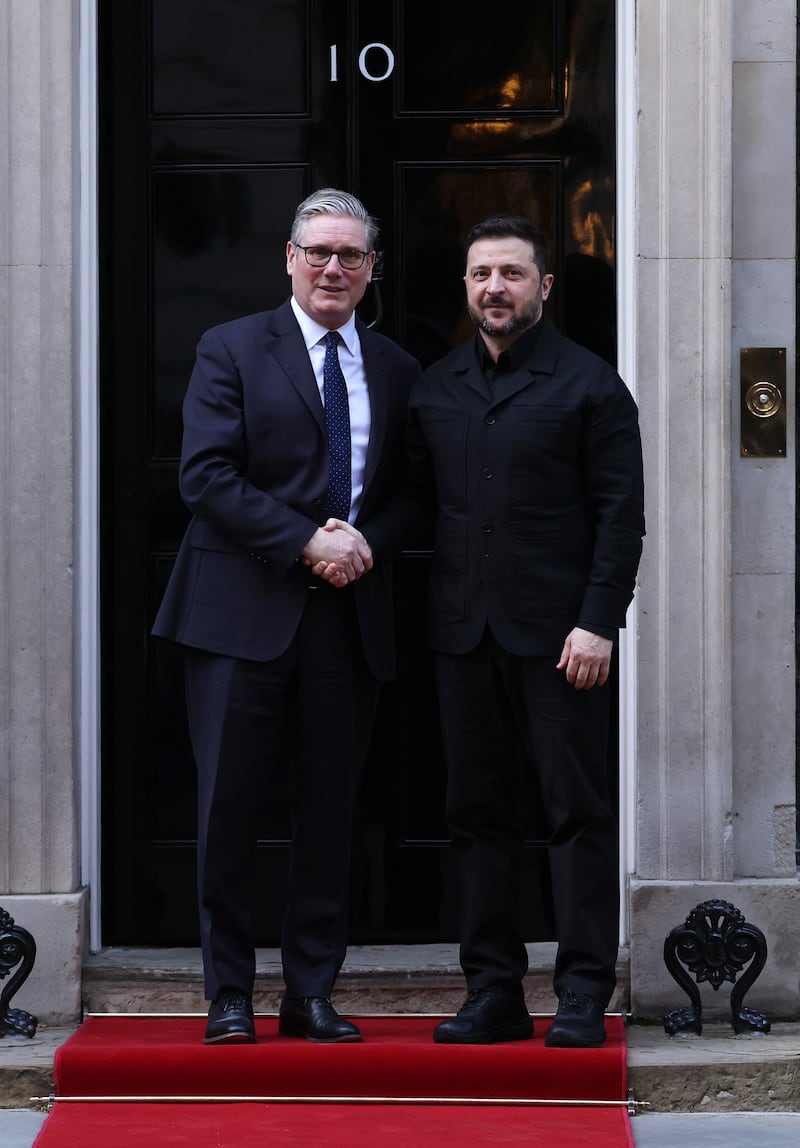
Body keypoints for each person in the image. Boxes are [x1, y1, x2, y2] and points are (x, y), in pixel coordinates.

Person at [360, 214, 644, 1048]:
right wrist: (355, 540)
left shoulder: (591, 386)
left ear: (543, 288)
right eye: (482, 273)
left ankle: (585, 990)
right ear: (467, 287)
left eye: (512, 274)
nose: (495, 288)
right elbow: (414, 500)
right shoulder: (437, 386)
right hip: (462, 636)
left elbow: (619, 518)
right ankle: (494, 992)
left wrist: (599, 622)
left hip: (564, 644)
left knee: (574, 814)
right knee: (476, 816)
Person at [152, 188, 419, 1045]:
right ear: (290, 259)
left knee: (329, 816)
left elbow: (414, 492)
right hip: (238, 618)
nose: (334, 268)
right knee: (228, 812)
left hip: (348, 626)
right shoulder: (229, 348)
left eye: (351, 255)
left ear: (373, 268)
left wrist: (366, 540)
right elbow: (206, 476)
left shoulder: (397, 367)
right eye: (319, 253)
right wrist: (309, 540)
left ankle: (310, 992)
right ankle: (228, 994)